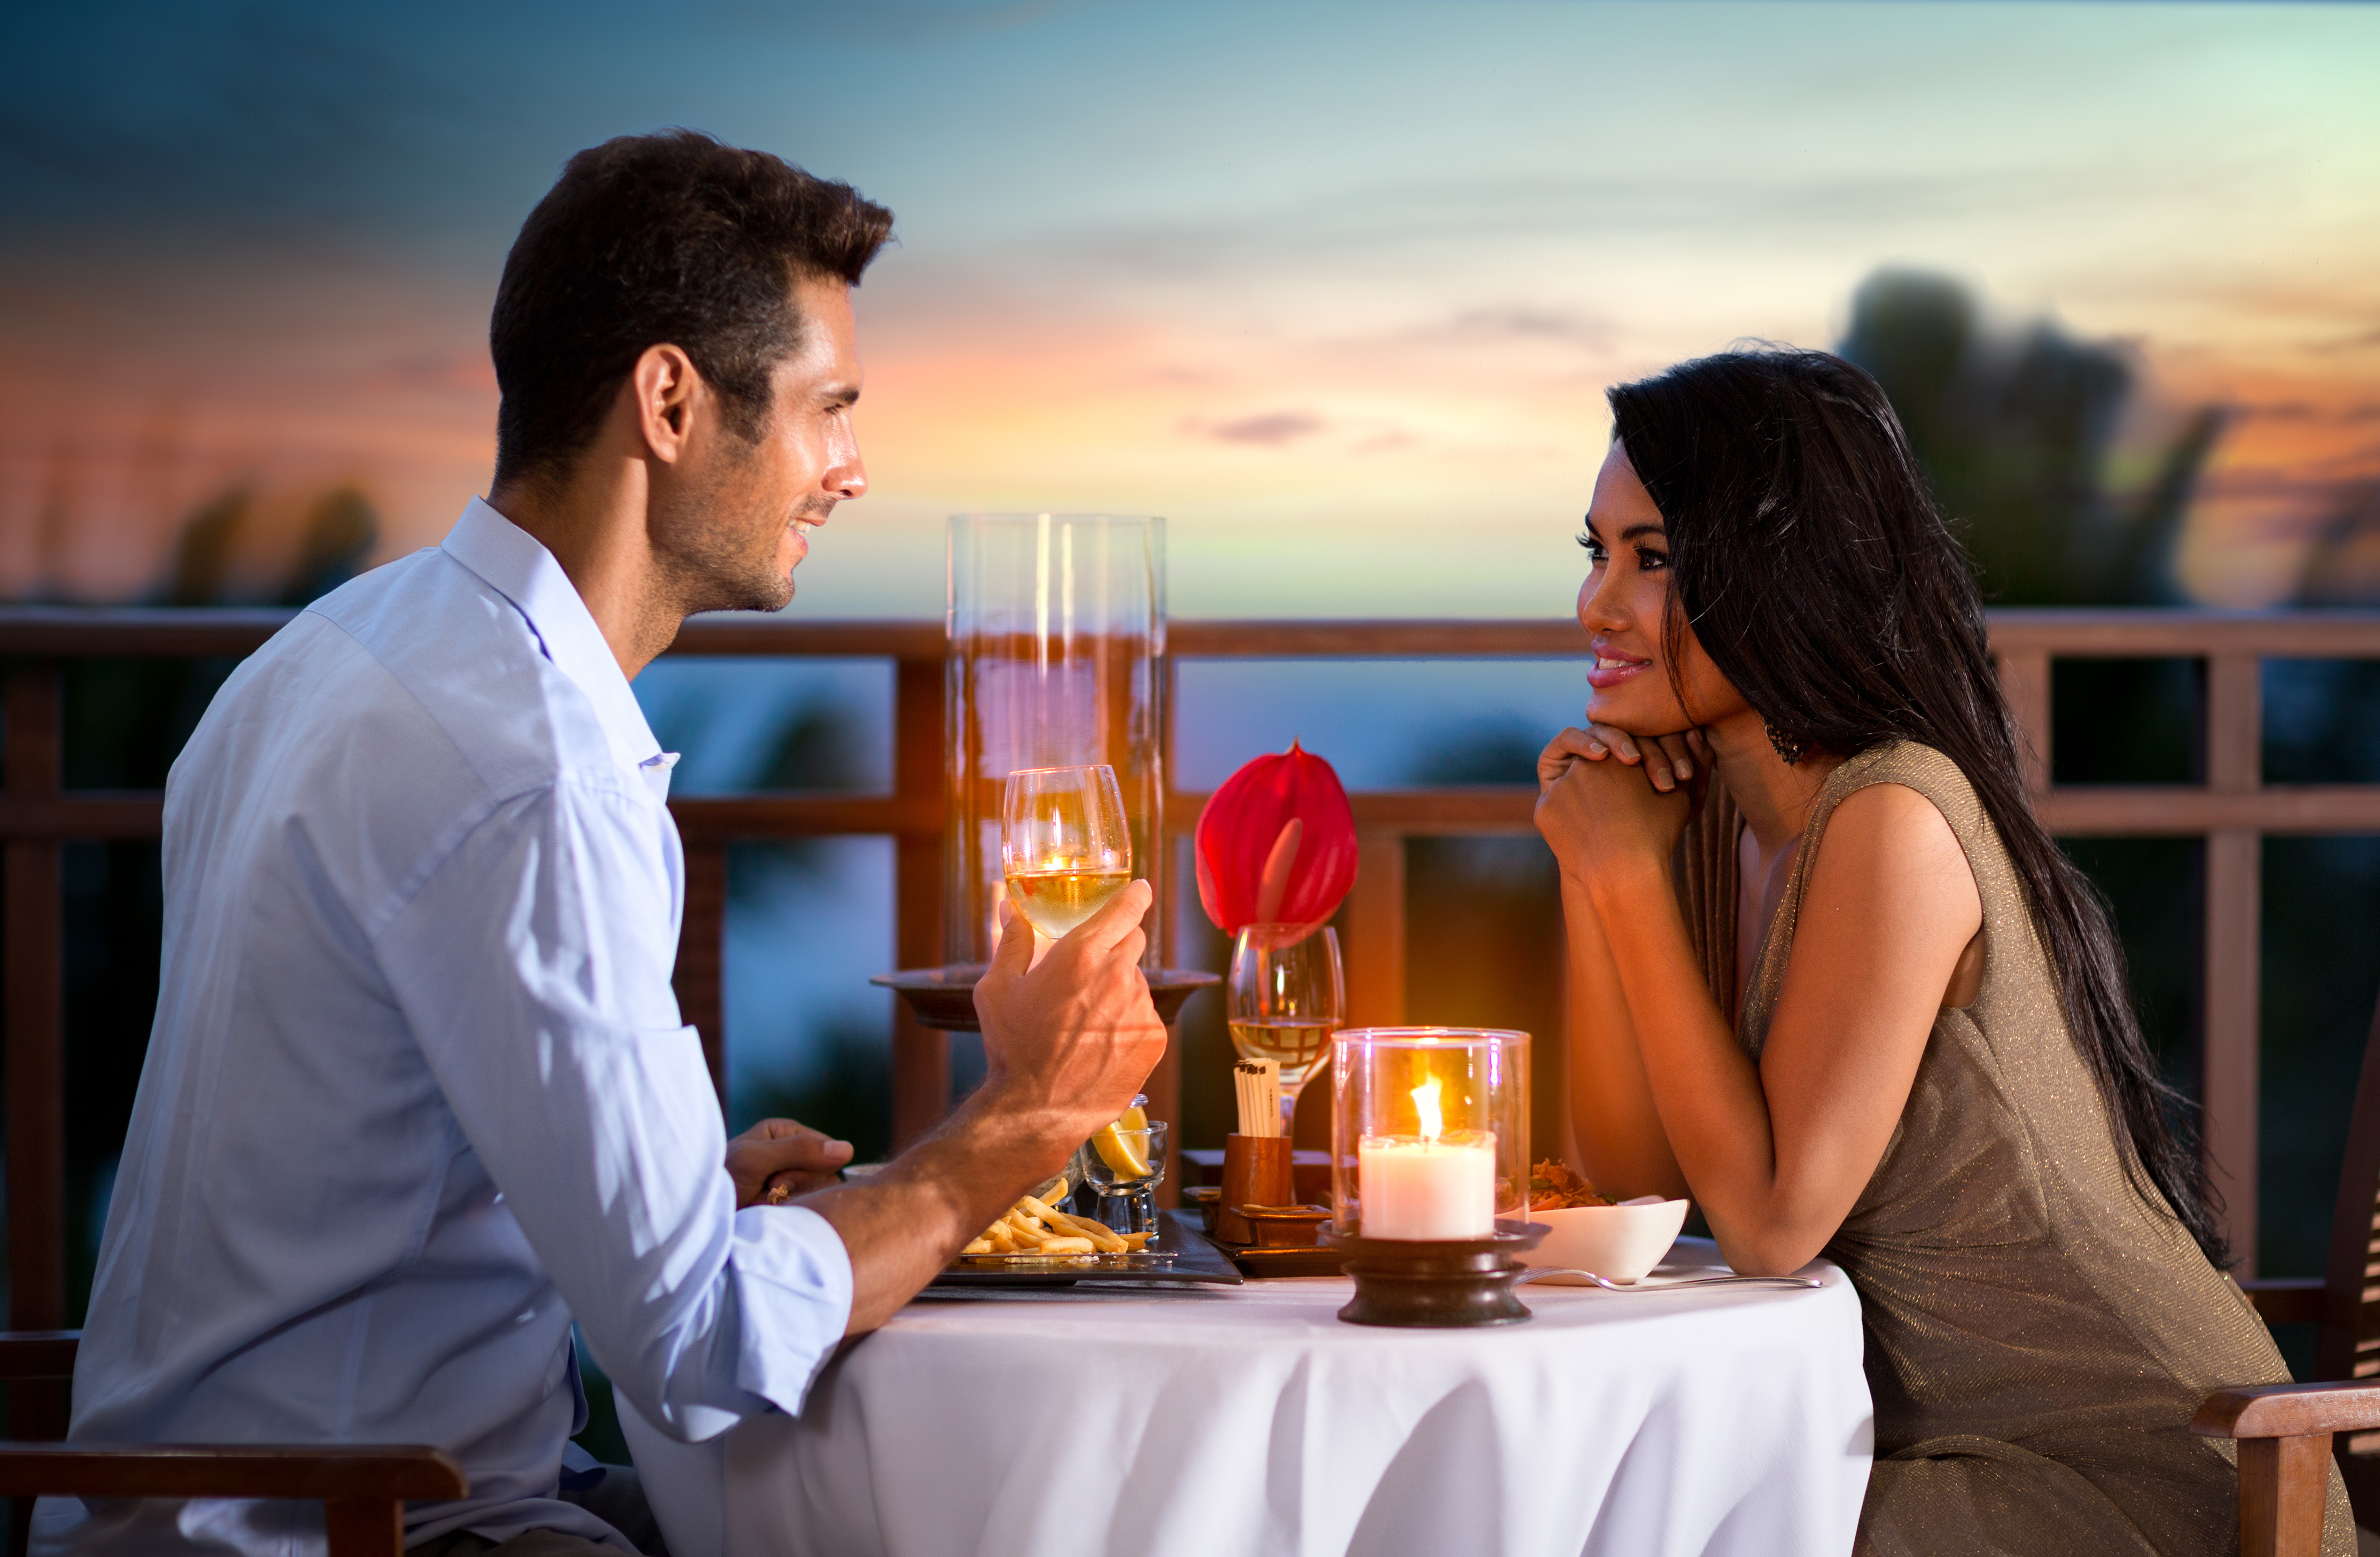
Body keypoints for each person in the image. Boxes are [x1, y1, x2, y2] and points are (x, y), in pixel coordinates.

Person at [40, 131, 1168, 1556]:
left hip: (219, 1499)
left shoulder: (324, 658)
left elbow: (370, 1155)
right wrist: (1020, 1123)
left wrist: (681, 1190)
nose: (854, 469)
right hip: (351, 1527)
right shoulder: (534, 769)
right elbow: (697, 1346)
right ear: (673, 401)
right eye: (830, 409)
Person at [1532, 347, 2352, 1556]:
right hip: (1916, 1453)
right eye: (1595, 553)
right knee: (1604, 1504)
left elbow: (1764, 1229)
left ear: (1781, 572)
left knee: (1630, 1520)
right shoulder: (1704, 815)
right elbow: (1630, 1182)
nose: (1598, 605)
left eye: (1652, 559)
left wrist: (1621, 880)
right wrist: (1596, 873)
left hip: (2137, 1485)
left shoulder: (1892, 818)